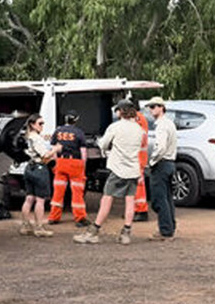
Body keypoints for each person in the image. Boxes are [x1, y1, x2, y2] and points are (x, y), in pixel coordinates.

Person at [74, 100, 145, 245]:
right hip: (133, 169)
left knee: (107, 199)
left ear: (121, 111)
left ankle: (94, 231)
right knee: (130, 200)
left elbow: (104, 144)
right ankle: (126, 233)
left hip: (118, 169)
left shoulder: (116, 127)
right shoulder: (139, 129)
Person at [19, 113, 62, 237]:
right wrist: (56, 149)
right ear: (32, 125)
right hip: (39, 168)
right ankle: (39, 228)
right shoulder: (36, 138)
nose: (42, 126)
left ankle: (25, 225)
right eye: (40, 123)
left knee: (29, 198)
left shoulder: (28, 137)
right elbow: (45, 155)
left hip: (29, 168)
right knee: (40, 200)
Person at [145, 96, 179, 241]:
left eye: (154, 107)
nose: (151, 110)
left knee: (159, 199)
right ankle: (170, 227)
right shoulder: (170, 123)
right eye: (150, 107)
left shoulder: (162, 125)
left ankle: (165, 230)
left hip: (162, 163)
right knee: (167, 198)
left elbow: (161, 147)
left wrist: (152, 161)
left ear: (161, 107)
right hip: (170, 163)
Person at [47, 110, 89, 227]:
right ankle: (80, 218)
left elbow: (54, 149)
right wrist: (83, 166)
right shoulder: (79, 133)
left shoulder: (58, 131)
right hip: (75, 163)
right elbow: (83, 151)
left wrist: (56, 163)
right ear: (75, 120)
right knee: (77, 192)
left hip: (61, 162)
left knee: (58, 192)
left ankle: (53, 217)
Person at [133, 104, 150, 221]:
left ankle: (141, 210)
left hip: (136, 155)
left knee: (138, 184)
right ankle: (136, 209)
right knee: (137, 184)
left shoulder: (136, 118)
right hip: (139, 155)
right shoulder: (141, 118)